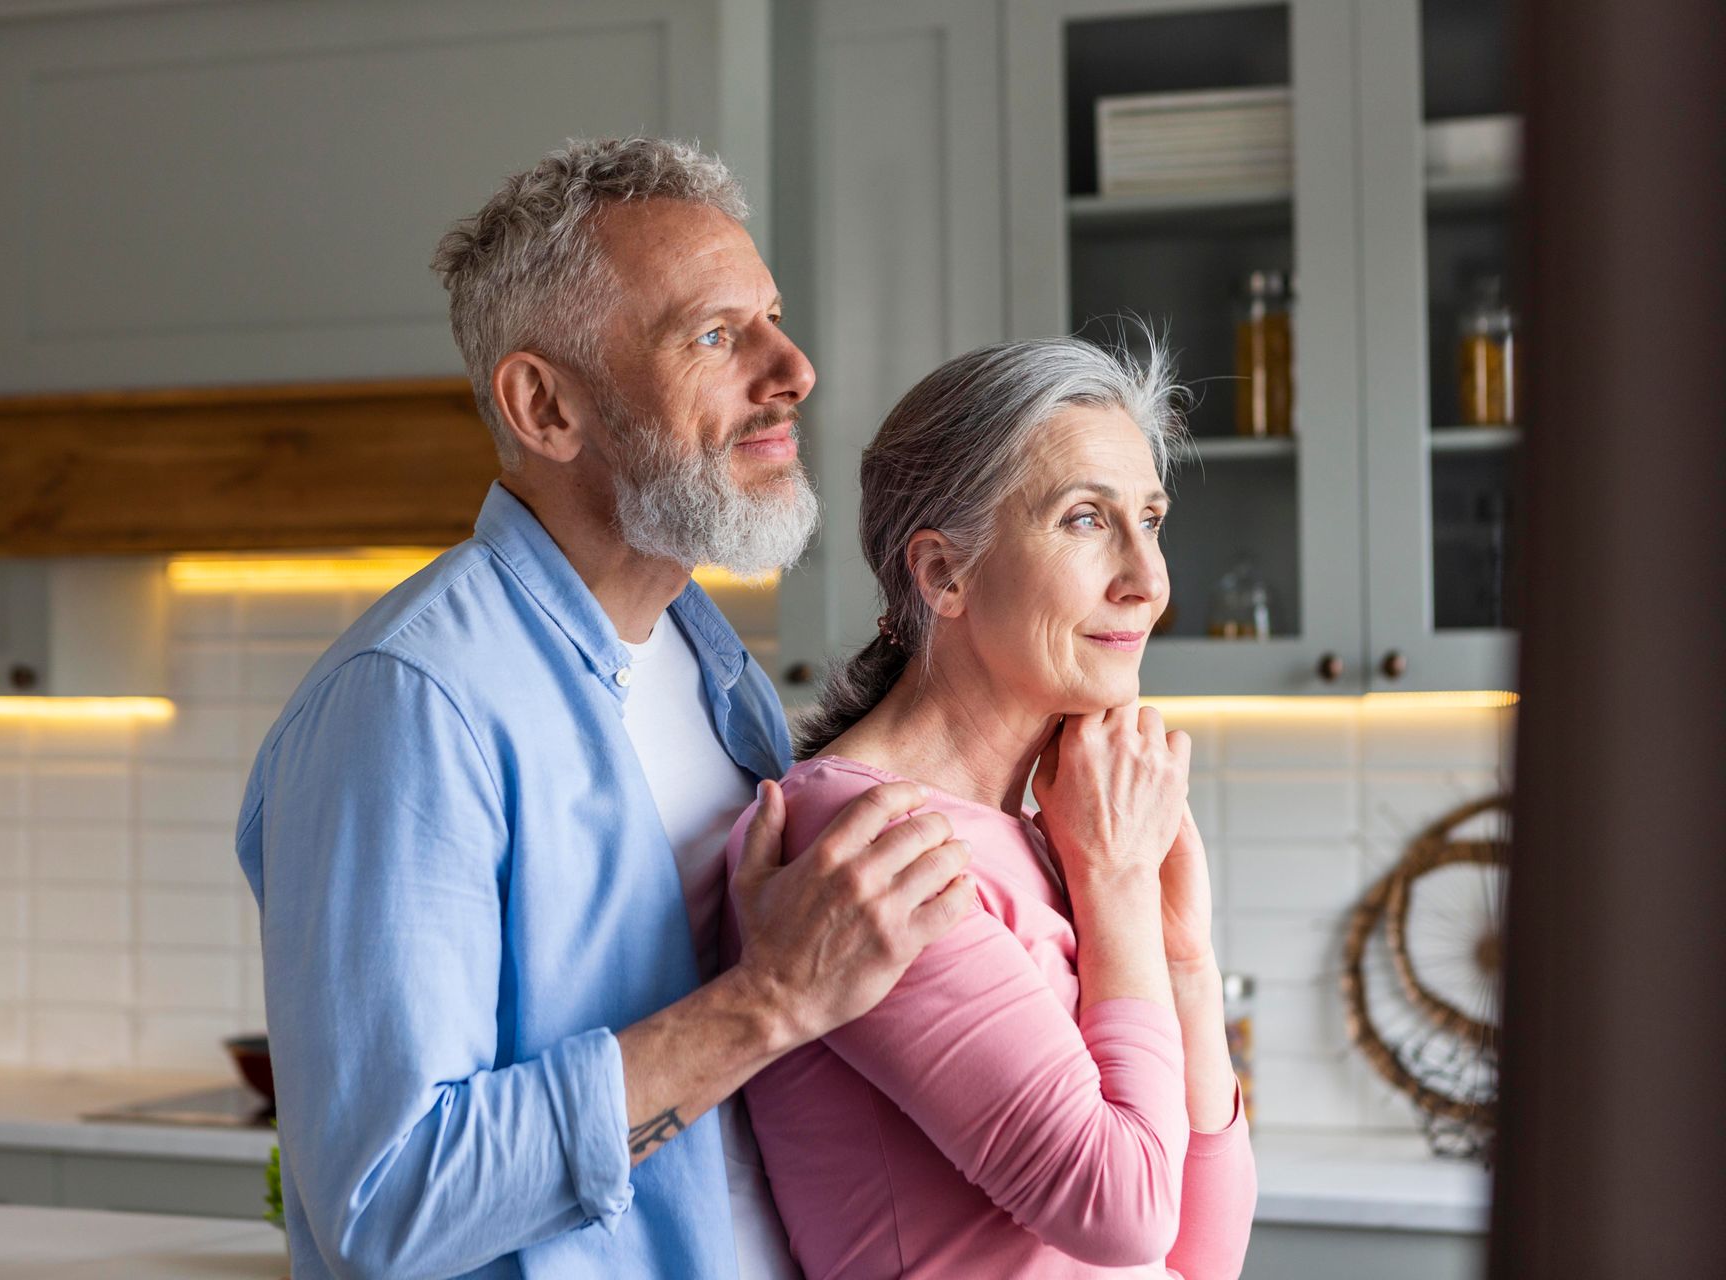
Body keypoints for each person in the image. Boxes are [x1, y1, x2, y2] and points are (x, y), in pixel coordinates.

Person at [233, 137, 976, 1280]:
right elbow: (387, 1203)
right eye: (717, 335)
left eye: (771, 317)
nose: (794, 368)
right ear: (544, 404)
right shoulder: (411, 705)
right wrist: (768, 999)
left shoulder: (710, 664)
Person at [723, 337, 1259, 1278]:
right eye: (1087, 519)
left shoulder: (1050, 834)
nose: (1148, 579)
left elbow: (1202, 1251)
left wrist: (1183, 956)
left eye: (1151, 518)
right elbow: (1122, 1213)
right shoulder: (870, 844)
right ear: (942, 575)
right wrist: (1120, 886)